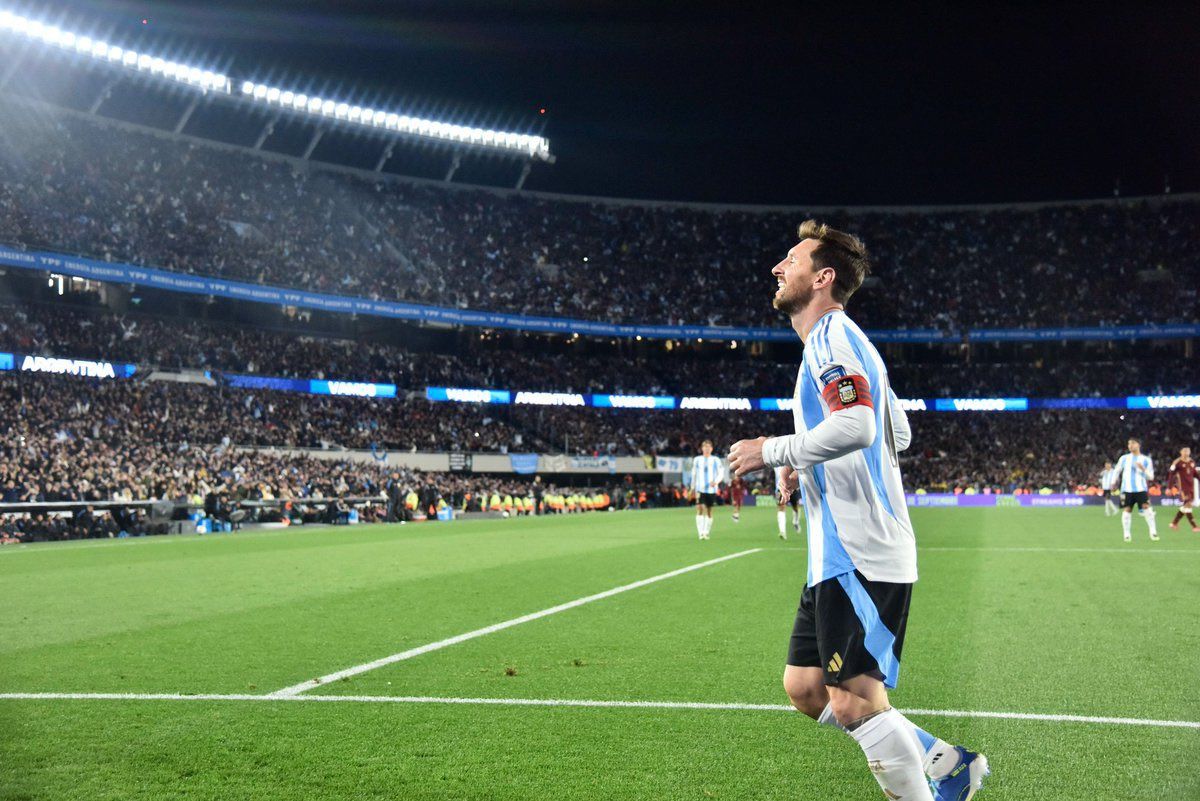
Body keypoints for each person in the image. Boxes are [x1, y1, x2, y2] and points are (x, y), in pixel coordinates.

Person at [728, 220, 988, 801]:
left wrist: (774, 450)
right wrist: (807, 461)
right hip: (835, 555)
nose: (777, 268)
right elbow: (899, 431)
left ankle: (933, 784)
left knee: (852, 702)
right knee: (805, 688)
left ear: (823, 278)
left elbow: (861, 426)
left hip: (859, 552)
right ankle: (947, 763)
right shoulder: (842, 344)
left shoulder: (831, 337)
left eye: (791, 260)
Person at [1112, 438, 1157, 542]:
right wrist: (1113, 482)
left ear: (1138, 445)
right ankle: (1127, 534)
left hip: (1141, 489)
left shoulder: (1146, 460)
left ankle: (1153, 531)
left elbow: (1151, 477)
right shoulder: (1124, 458)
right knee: (1127, 510)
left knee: (1147, 508)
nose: (1130, 445)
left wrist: (1143, 469)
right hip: (1126, 489)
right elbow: (1117, 470)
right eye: (1129, 444)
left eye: (1133, 443)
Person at [689, 440, 725, 540]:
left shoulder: (716, 460)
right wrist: (692, 487)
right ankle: (700, 533)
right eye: (705, 447)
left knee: (709, 511)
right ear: (702, 448)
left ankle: (706, 532)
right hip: (700, 489)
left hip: (711, 490)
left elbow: (721, 472)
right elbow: (694, 473)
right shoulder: (697, 459)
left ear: (711, 449)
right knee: (700, 508)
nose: (707, 449)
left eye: (709, 447)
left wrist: (716, 481)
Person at [1167, 446, 1198, 531]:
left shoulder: (1192, 461)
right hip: (1183, 488)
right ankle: (1194, 526)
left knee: (1185, 506)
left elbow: (1195, 473)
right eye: (1184, 451)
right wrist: (1169, 487)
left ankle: (1174, 523)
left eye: (1188, 451)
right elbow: (1171, 475)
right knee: (1188, 504)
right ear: (1181, 452)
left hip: (1191, 487)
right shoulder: (1177, 462)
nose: (1186, 453)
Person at [775, 465, 802, 540]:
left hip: (793, 487)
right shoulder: (775, 463)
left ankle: (796, 522)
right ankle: (782, 531)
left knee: (796, 507)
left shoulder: (788, 460)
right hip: (780, 488)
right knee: (781, 508)